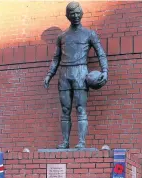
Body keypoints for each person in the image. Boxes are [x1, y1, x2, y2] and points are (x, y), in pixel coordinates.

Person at [44, 1, 108, 149]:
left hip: (81, 72)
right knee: (65, 109)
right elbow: (56, 58)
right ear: (67, 16)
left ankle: (81, 142)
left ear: (82, 14)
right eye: (72, 14)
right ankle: (65, 142)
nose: (75, 16)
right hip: (64, 74)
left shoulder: (89, 34)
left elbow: (101, 54)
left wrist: (105, 71)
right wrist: (49, 74)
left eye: (78, 13)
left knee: (80, 108)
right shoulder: (62, 37)